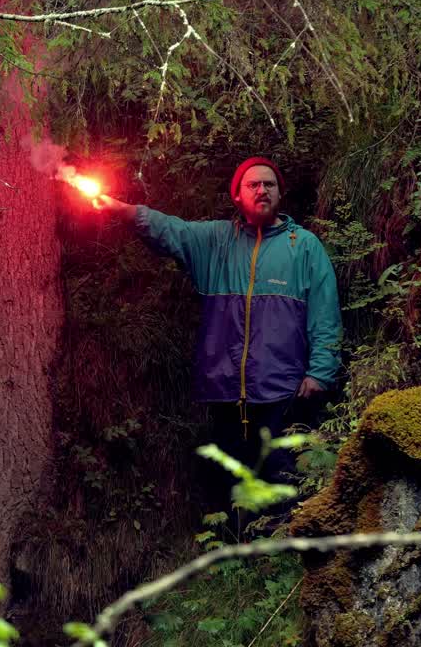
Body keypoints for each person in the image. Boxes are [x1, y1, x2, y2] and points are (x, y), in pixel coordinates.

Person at [95, 156, 343, 517]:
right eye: (253, 185)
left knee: (281, 474)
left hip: (283, 390)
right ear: (238, 197)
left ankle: (282, 558)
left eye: (269, 185)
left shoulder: (303, 246)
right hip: (224, 388)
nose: (262, 190)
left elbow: (325, 313)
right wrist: (123, 211)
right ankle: (236, 563)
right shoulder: (215, 241)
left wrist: (321, 371)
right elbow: (171, 230)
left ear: (280, 194)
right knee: (228, 478)